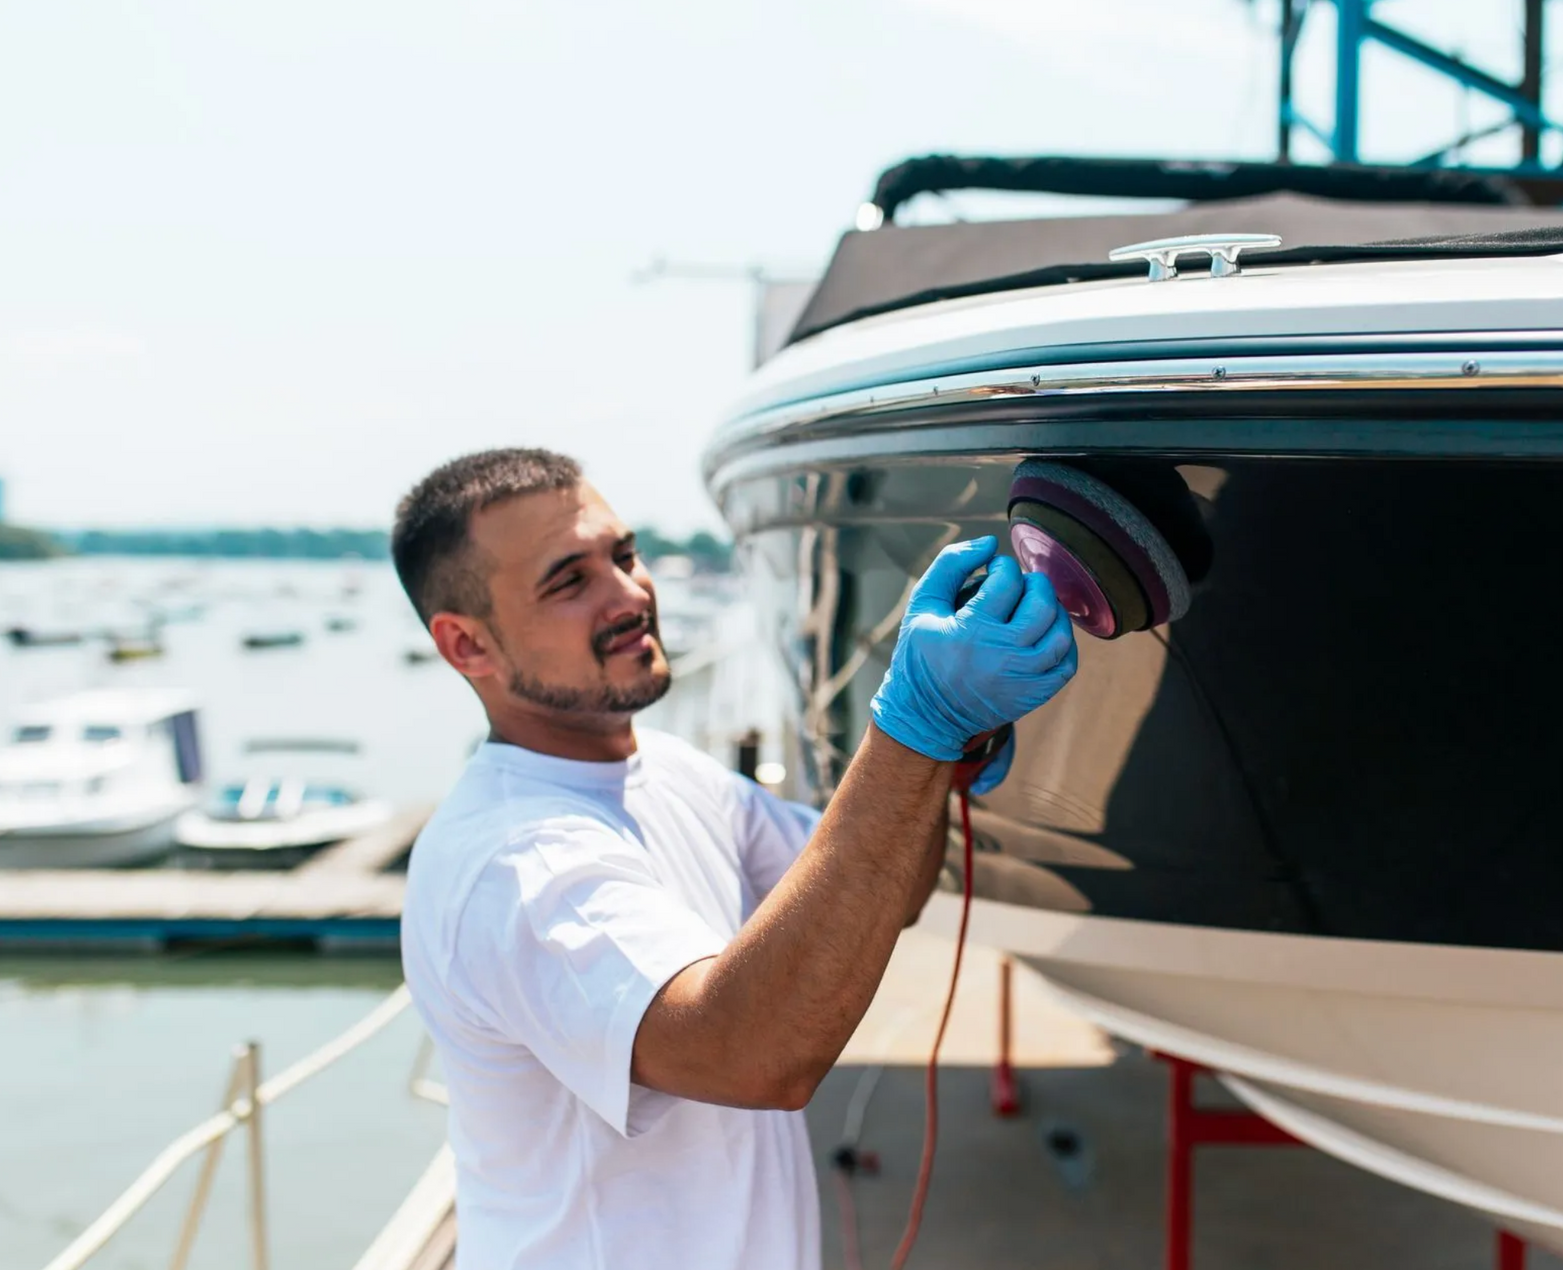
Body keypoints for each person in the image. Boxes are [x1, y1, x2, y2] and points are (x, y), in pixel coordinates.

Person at [393, 448, 1077, 1270]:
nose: (629, 594)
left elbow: (880, 894)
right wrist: (912, 729)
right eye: (568, 581)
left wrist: (942, 759)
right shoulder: (520, 862)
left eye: (624, 555)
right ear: (468, 646)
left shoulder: (668, 771)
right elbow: (750, 1054)